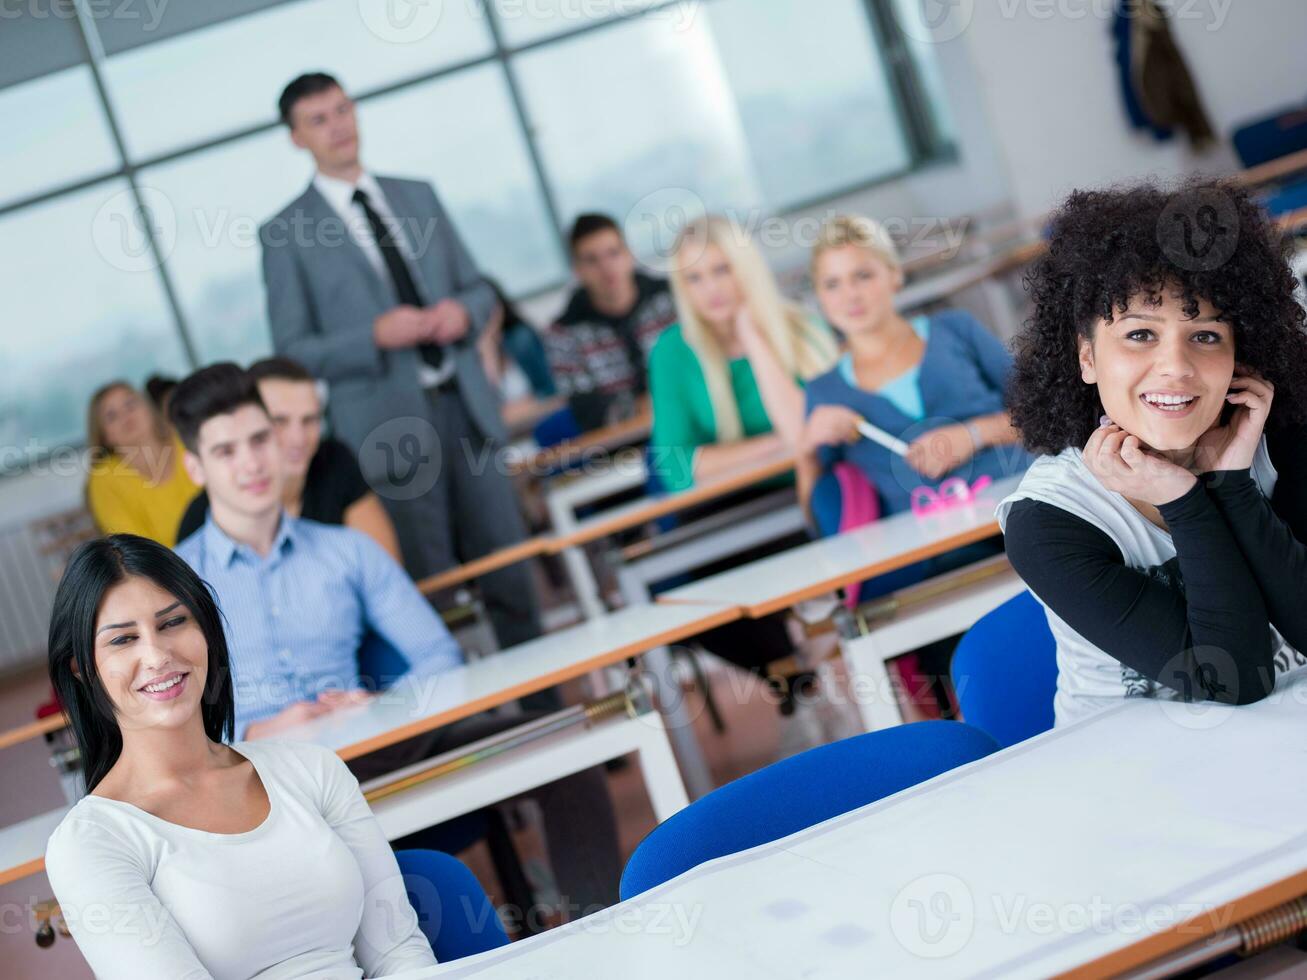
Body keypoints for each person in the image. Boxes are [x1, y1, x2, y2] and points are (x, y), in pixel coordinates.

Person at [169, 364, 622, 915]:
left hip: (373, 751)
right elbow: (167, 718)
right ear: (195, 467)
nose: (252, 463)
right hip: (262, 780)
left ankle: (602, 938)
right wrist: (251, 730)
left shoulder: (346, 549)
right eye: (226, 452)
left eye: (260, 439)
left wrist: (379, 705)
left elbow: (438, 654)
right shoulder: (173, 585)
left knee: (567, 751)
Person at [43, 534, 438, 978]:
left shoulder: (311, 769)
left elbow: (398, 953)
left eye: (173, 623)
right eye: (123, 640)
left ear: (206, 631)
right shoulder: (91, 842)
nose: (156, 655)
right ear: (81, 668)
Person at [996, 180, 1307, 727]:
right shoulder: (1049, 518)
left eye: (1206, 336)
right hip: (1131, 774)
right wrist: (1186, 498)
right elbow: (1235, 679)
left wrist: (1231, 482)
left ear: (1242, 351)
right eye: (1140, 335)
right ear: (1087, 357)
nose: (1176, 367)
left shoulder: (1279, 438)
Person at [261, 71, 543, 652]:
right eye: (319, 120)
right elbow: (291, 351)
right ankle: (471, 726)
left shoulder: (418, 194)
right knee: (427, 593)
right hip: (387, 433)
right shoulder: (284, 234)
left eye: (342, 110)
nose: (337, 126)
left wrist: (463, 316)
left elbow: (479, 289)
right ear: (296, 139)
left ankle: (562, 723)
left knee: (513, 576)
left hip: (465, 410)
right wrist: (373, 335)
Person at [800, 214, 1029, 523]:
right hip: (929, 548)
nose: (850, 295)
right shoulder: (824, 393)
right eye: (832, 284)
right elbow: (817, 518)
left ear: (894, 275)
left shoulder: (955, 330)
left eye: (863, 276)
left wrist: (973, 435)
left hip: (1025, 503)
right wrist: (807, 449)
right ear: (820, 300)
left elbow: (1044, 415)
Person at [648, 214, 839, 491]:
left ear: (747, 269)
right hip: (728, 501)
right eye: (694, 278)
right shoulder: (671, 351)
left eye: (722, 270)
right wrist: (777, 444)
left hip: (819, 482)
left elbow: (816, 435)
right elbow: (673, 466)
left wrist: (752, 337)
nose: (711, 289)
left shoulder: (804, 327)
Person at [177, 357, 401, 563]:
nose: (299, 439)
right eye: (280, 421)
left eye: (310, 419)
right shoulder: (199, 530)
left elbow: (384, 572)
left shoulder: (333, 460)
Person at [544, 213, 677, 431]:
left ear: (629, 255)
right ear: (577, 270)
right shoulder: (562, 334)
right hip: (625, 445)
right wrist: (640, 408)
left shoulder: (672, 299)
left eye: (613, 253)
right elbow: (586, 411)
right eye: (592, 260)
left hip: (695, 423)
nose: (606, 268)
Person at [85, 382, 199, 547]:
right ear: (104, 435)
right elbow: (135, 549)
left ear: (149, 409)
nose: (126, 417)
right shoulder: (103, 478)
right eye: (112, 416)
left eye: (130, 404)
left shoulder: (184, 439)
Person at [477, 279, 564, 434]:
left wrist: (517, 410)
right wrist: (486, 346)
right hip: (506, 438)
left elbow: (553, 393)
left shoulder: (520, 338)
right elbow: (486, 411)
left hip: (543, 426)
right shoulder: (468, 354)